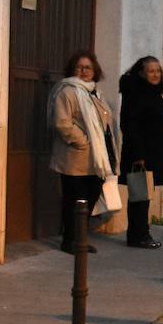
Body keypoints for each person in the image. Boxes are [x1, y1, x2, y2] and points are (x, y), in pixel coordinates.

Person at [48, 50, 118, 254]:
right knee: (74, 200)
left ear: (95, 70)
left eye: (88, 67)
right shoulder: (67, 91)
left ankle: (80, 238)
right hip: (75, 158)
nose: (84, 71)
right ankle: (70, 240)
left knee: (90, 198)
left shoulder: (94, 92)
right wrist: (83, 141)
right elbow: (62, 122)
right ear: (72, 69)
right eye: (79, 67)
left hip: (96, 159)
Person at [118, 56, 163, 250]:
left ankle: (139, 234)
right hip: (141, 155)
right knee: (139, 196)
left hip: (151, 152)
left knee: (142, 195)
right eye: (151, 71)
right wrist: (139, 155)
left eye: (158, 71)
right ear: (142, 73)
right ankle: (139, 235)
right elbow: (130, 125)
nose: (155, 74)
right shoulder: (136, 93)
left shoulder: (152, 92)